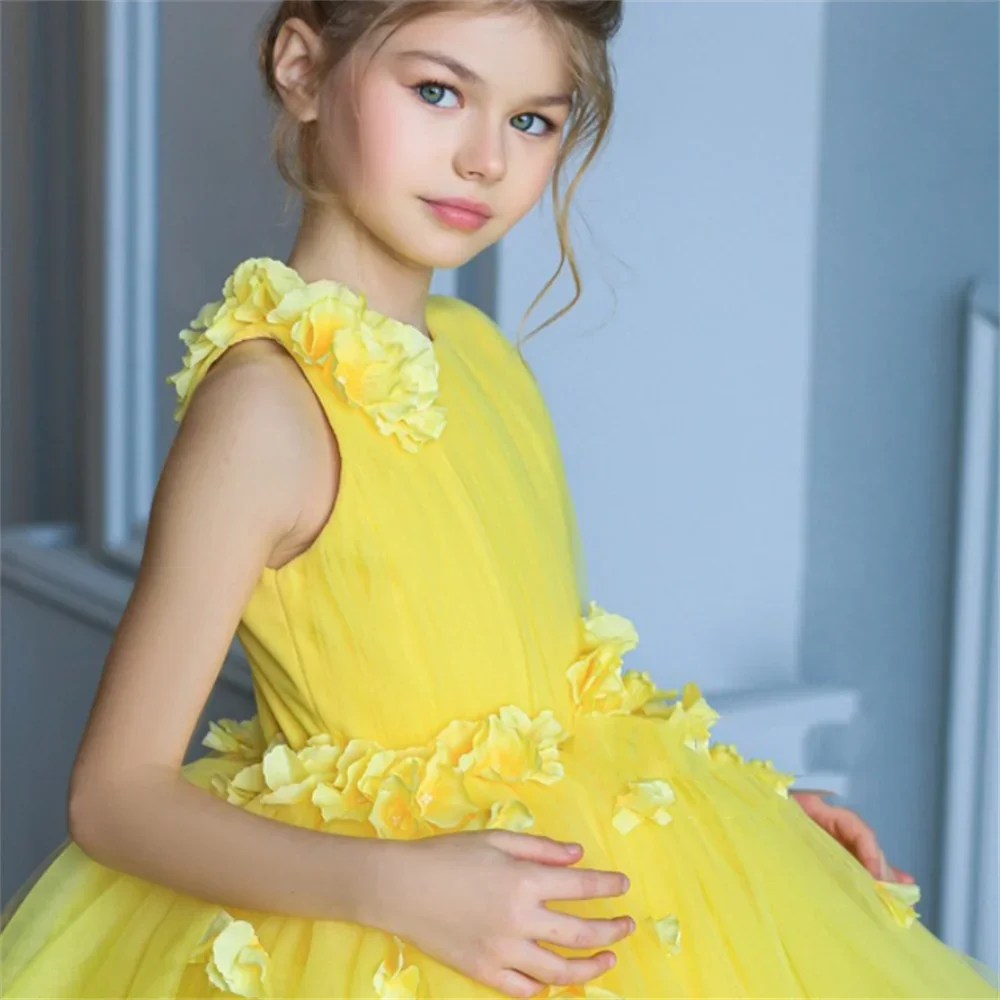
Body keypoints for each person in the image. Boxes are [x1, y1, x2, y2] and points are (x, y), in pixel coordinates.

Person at [1, 1, 997, 997]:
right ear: (302, 70)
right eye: (438, 92)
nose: (485, 158)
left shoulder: (480, 355)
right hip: (391, 931)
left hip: (547, 898)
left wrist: (736, 806)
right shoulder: (267, 410)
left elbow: (560, 686)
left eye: (532, 120)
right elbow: (115, 795)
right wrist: (401, 890)